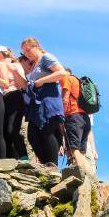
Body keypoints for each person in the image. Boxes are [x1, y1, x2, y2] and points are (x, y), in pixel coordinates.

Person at [20, 37, 66, 168]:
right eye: (24, 52)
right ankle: (46, 163)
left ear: (36, 46)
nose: (27, 54)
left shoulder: (46, 57)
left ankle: (52, 165)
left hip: (49, 99)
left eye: (28, 50)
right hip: (37, 103)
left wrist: (42, 81)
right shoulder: (34, 65)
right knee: (32, 135)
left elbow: (61, 73)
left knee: (47, 131)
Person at [0, 45, 29, 160]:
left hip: (14, 96)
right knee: (3, 132)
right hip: (0, 99)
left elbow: (23, 85)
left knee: (12, 130)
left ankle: (24, 159)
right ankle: (8, 161)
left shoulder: (15, 65)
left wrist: (11, 70)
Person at [60, 68, 92, 167]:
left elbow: (65, 100)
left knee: (74, 149)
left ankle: (81, 175)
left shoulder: (66, 78)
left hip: (73, 116)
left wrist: (62, 115)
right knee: (81, 151)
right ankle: (88, 178)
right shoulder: (79, 81)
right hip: (85, 118)